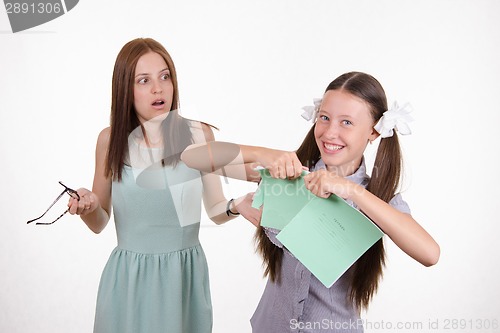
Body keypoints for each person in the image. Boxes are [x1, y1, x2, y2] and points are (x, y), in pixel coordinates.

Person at [181, 71, 440, 332]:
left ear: (373, 132)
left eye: (347, 123)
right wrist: (264, 154)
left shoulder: (378, 197)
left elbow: (430, 254)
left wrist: (350, 190)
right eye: (324, 118)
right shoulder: (290, 173)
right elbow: (194, 158)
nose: (330, 132)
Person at [67, 37, 257, 333]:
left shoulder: (198, 134)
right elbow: (99, 222)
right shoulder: (109, 140)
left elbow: (216, 209)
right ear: (125, 89)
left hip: (183, 280)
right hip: (128, 281)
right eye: (143, 81)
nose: (158, 88)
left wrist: (236, 206)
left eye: (165, 76)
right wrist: (88, 205)